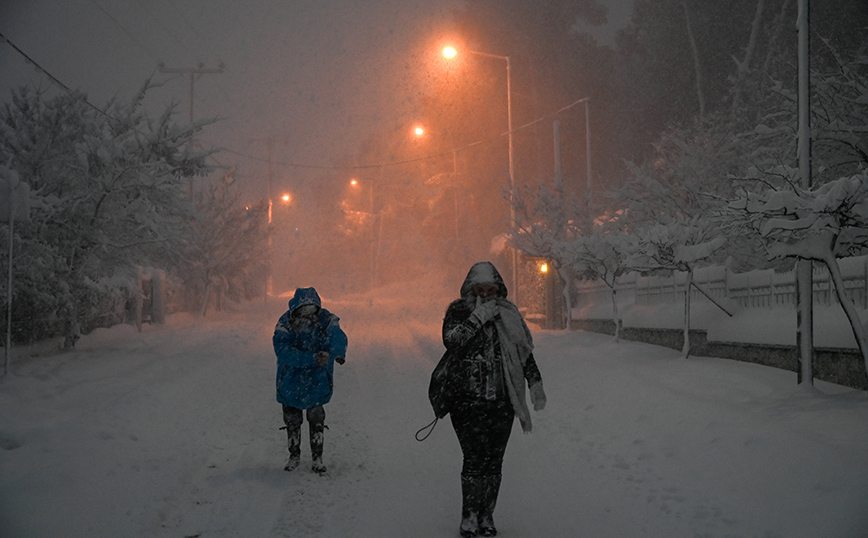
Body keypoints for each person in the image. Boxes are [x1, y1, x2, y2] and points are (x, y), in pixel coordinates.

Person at [441, 261, 546, 537]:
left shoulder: (508, 315)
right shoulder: (458, 312)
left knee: (494, 462)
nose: (486, 293)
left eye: (491, 288)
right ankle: (469, 515)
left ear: (499, 289)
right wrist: (478, 318)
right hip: (467, 402)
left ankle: (487, 515)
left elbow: (522, 351)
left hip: (501, 403)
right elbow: (452, 341)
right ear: (471, 288)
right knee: (473, 460)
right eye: (480, 288)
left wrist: (535, 381)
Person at [273, 287, 347, 474]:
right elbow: (282, 351)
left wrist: (337, 352)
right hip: (292, 378)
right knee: (292, 419)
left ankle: (317, 457)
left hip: (315, 378)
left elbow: (337, 334)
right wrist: (311, 358)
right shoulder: (285, 322)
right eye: (303, 310)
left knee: (316, 418)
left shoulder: (326, 319)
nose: (307, 316)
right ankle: (294, 455)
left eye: (311, 310)